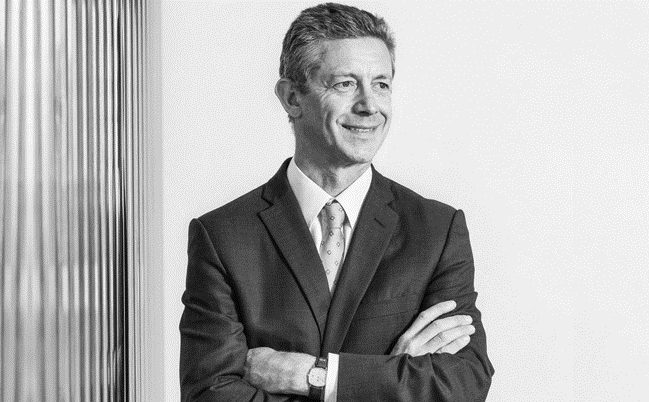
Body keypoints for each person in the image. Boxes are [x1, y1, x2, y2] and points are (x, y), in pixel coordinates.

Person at [179, 3, 494, 401]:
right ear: (292, 97)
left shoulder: (436, 230)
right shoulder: (223, 237)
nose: (369, 106)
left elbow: (462, 383)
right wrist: (392, 376)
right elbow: (210, 395)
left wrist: (316, 377)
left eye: (381, 84)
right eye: (346, 84)